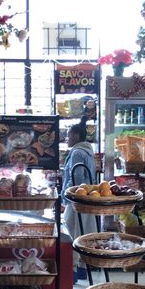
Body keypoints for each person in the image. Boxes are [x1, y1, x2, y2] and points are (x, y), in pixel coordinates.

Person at [62, 119, 97, 279]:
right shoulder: (88, 151)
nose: (66, 139)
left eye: (68, 135)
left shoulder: (77, 153)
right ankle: (83, 269)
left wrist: (66, 195)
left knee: (73, 234)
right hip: (88, 198)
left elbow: (76, 178)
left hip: (76, 199)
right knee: (84, 233)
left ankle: (73, 271)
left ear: (76, 136)